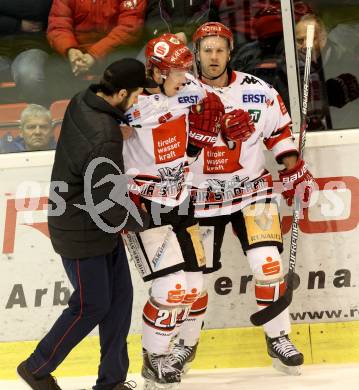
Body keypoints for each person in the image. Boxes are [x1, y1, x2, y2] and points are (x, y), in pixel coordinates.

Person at [177, 21, 315, 376]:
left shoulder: (258, 90)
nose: (213, 56)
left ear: (229, 51)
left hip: (252, 191)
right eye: (207, 50)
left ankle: (279, 337)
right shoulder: (178, 92)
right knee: (194, 281)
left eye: (220, 49)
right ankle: (185, 344)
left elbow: (280, 135)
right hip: (198, 198)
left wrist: (292, 168)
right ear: (196, 53)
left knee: (268, 264)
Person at [16, 58, 154, 390]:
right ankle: (36, 367)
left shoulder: (84, 99)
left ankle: (112, 382)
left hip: (95, 225)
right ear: (120, 92)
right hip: (80, 229)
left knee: (120, 301)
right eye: (135, 94)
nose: (137, 101)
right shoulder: (104, 136)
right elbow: (107, 201)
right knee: (91, 305)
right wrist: (143, 220)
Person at [120, 33, 233, 389]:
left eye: (186, 69)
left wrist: (217, 132)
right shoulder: (133, 103)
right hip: (144, 205)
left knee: (195, 286)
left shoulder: (189, 89)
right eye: (175, 71)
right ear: (154, 73)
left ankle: (179, 349)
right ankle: (153, 358)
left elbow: (199, 127)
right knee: (171, 289)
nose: (184, 76)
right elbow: (141, 118)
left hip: (181, 201)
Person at [45, 0, 147, 101]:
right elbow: (58, 26)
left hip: (111, 50)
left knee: (123, 66)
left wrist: (94, 54)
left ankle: (114, 112)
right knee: (54, 66)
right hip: (76, 51)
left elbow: (130, 28)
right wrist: (70, 51)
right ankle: (64, 112)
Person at [0, 0, 52, 104]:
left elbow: (39, 9)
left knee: (29, 75)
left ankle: (37, 114)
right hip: (1, 48)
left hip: (32, 44)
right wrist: (18, 24)